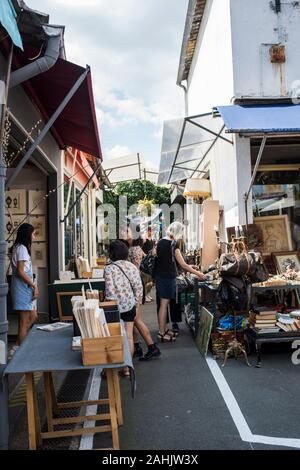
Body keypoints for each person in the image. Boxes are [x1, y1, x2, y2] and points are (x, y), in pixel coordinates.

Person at [155, 222, 207, 342]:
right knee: (164, 305)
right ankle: (161, 333)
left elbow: (165, 260)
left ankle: (164, 329)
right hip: (167, 278)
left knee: (163, 304)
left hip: (160, 277)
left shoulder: (161, 242)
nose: (182, 235)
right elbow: (183, 264)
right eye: (182, 233)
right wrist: (199, 274)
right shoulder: (173, 245)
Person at [105, 240, 143, 376]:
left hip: (115, 308)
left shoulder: (109, 268)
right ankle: (127, 367)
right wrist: (137, 304)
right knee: (129, 337)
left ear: (112, 253)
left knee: (114, 337)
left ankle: (112, 367)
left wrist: (109, 305)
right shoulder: (132, 267)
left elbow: (110, 292)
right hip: (130, 305)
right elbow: (139, 288)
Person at [9, 223, 38, 359]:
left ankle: (16, 346)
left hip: (23, 287)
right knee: (24, 322)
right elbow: (21, 271)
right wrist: (34, 285)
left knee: (32, 317)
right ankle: (22, 353)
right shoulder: (21, 249)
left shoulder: (19, 247)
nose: (34, 236)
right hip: (22, 288)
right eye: (33, 233)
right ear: (27, 234)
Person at [128, 237, 161, 361]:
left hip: (133, 283)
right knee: (134, 319)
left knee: (135, 318)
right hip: (137, 281)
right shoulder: (138, 249)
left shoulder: (132, 250)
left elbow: (136, 267)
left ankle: (151, 347)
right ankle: (137, 347)